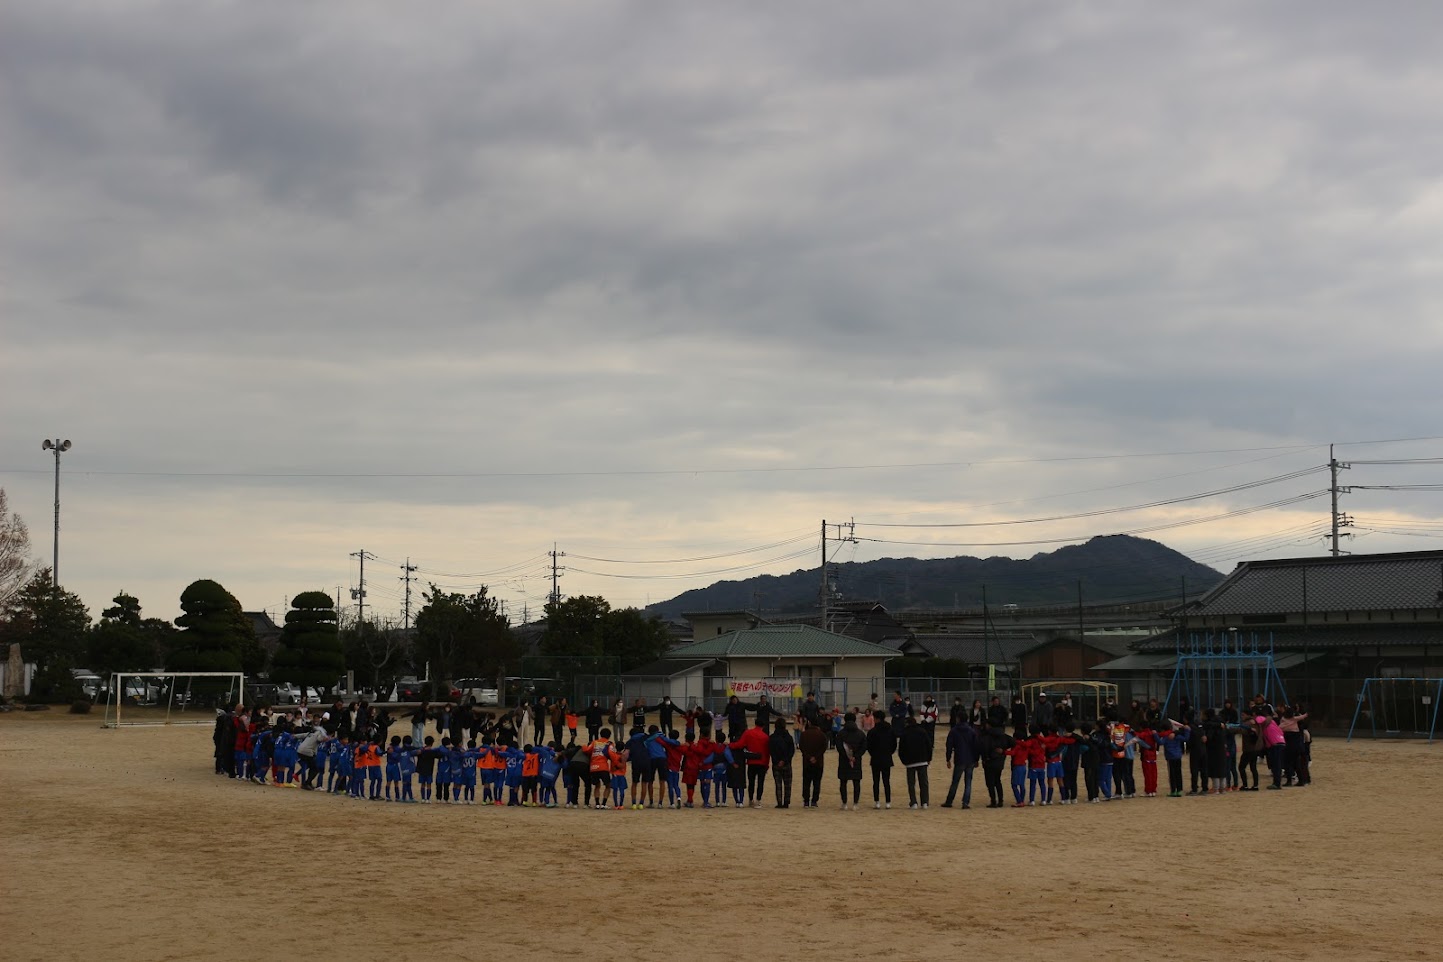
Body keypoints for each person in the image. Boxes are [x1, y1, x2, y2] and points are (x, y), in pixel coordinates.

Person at [730, 716, 772, 808]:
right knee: (760, 782)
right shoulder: (765, 737)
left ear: (755, 724)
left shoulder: (748, 733)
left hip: (752, 761)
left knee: (751, 781)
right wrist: (767, 764)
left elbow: (740, 744)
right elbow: (767, 752)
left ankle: (751, 799)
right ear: (763, 726)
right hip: (762, 762)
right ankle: (758, 800)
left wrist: (730, 745)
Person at [941, 716, 980, 809]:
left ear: (958, 719)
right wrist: (976, 759)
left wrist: (948, 758)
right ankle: (965, 802)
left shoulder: (954, 731)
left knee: (955, 781)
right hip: (970, 759)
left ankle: (949, 801)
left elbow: (949, 745)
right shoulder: (972, 731)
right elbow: (976, 746)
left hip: (959, 758)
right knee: (968, 782)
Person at [897, 716, 932, 809]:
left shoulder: (904, 733)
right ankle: (924, 802)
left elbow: (901, 750)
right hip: (922, 760)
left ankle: (913, 802)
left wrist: (904, 761)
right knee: (923, 783)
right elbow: (929, 745)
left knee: (911, 784)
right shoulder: (922, 731)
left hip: (910, 762)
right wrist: (929, 758)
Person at [835, 712, 866, 810]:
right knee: (856, 782)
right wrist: (856, 756)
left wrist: (846, 756)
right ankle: (855, 803)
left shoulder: (841, 733)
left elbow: (839, 747)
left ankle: (844, 803)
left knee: (843, 782)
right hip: (856, 761)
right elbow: (864, 747)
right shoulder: (860, 733)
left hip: (844, 760)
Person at [866, 710, 897, 809]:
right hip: (887, 757)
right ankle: (888, 802)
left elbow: (869, 746)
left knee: (876, 781)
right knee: (886, 781)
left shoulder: (872, 732)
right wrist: (889, 753)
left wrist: (873, 754)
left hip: (875, 758)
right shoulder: (890, 730)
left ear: (877, 719)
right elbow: (894, 744)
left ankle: (877, 802)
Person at [978, 725, 1011, 808]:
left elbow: (983, 748)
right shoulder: (1004, 736)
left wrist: (984, 758)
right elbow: (1013, 742)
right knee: (997, 781)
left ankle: (993, 801)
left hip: (989, 762)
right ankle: (1000, 800)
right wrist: (1004, 751)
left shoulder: (987, 736)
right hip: (1000, 761)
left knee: (990, 783)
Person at [798, 717, 829, 808]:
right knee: (817, 782)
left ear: (809, 723)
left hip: (806, 762)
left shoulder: (804, 734)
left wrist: (809, 757)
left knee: (806, 782)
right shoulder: (822, 735)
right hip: (818, 762)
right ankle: (814, 801)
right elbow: (824, 748)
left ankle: (806, 801)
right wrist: (816, 757)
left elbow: (801, 747)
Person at [769, 718, 795, 808]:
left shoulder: (772, 737)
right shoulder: (788, 737)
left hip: (776, 764)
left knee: (778, 784)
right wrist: (784, 760)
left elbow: (771, 751)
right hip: (787, 763)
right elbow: (791, 751)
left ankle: (779, 802)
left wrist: (777, 761)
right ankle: (786, 802)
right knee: (788, 784)